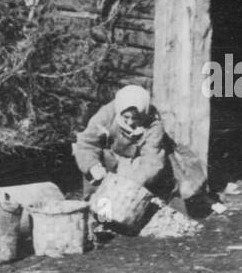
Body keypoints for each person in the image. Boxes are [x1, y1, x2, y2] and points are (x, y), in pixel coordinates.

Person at [73, 84, 205, 203]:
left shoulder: (154, 123)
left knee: (147, 188)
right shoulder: (106, 115)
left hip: (137, 160)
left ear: (144, 114)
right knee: (97, 178)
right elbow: (86, 143)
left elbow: (151, 160)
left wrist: (132, 184)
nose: (130, 122)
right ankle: (96, 209)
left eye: (135, 118)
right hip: (112, 156)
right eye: (126, 117)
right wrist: (92, 166)